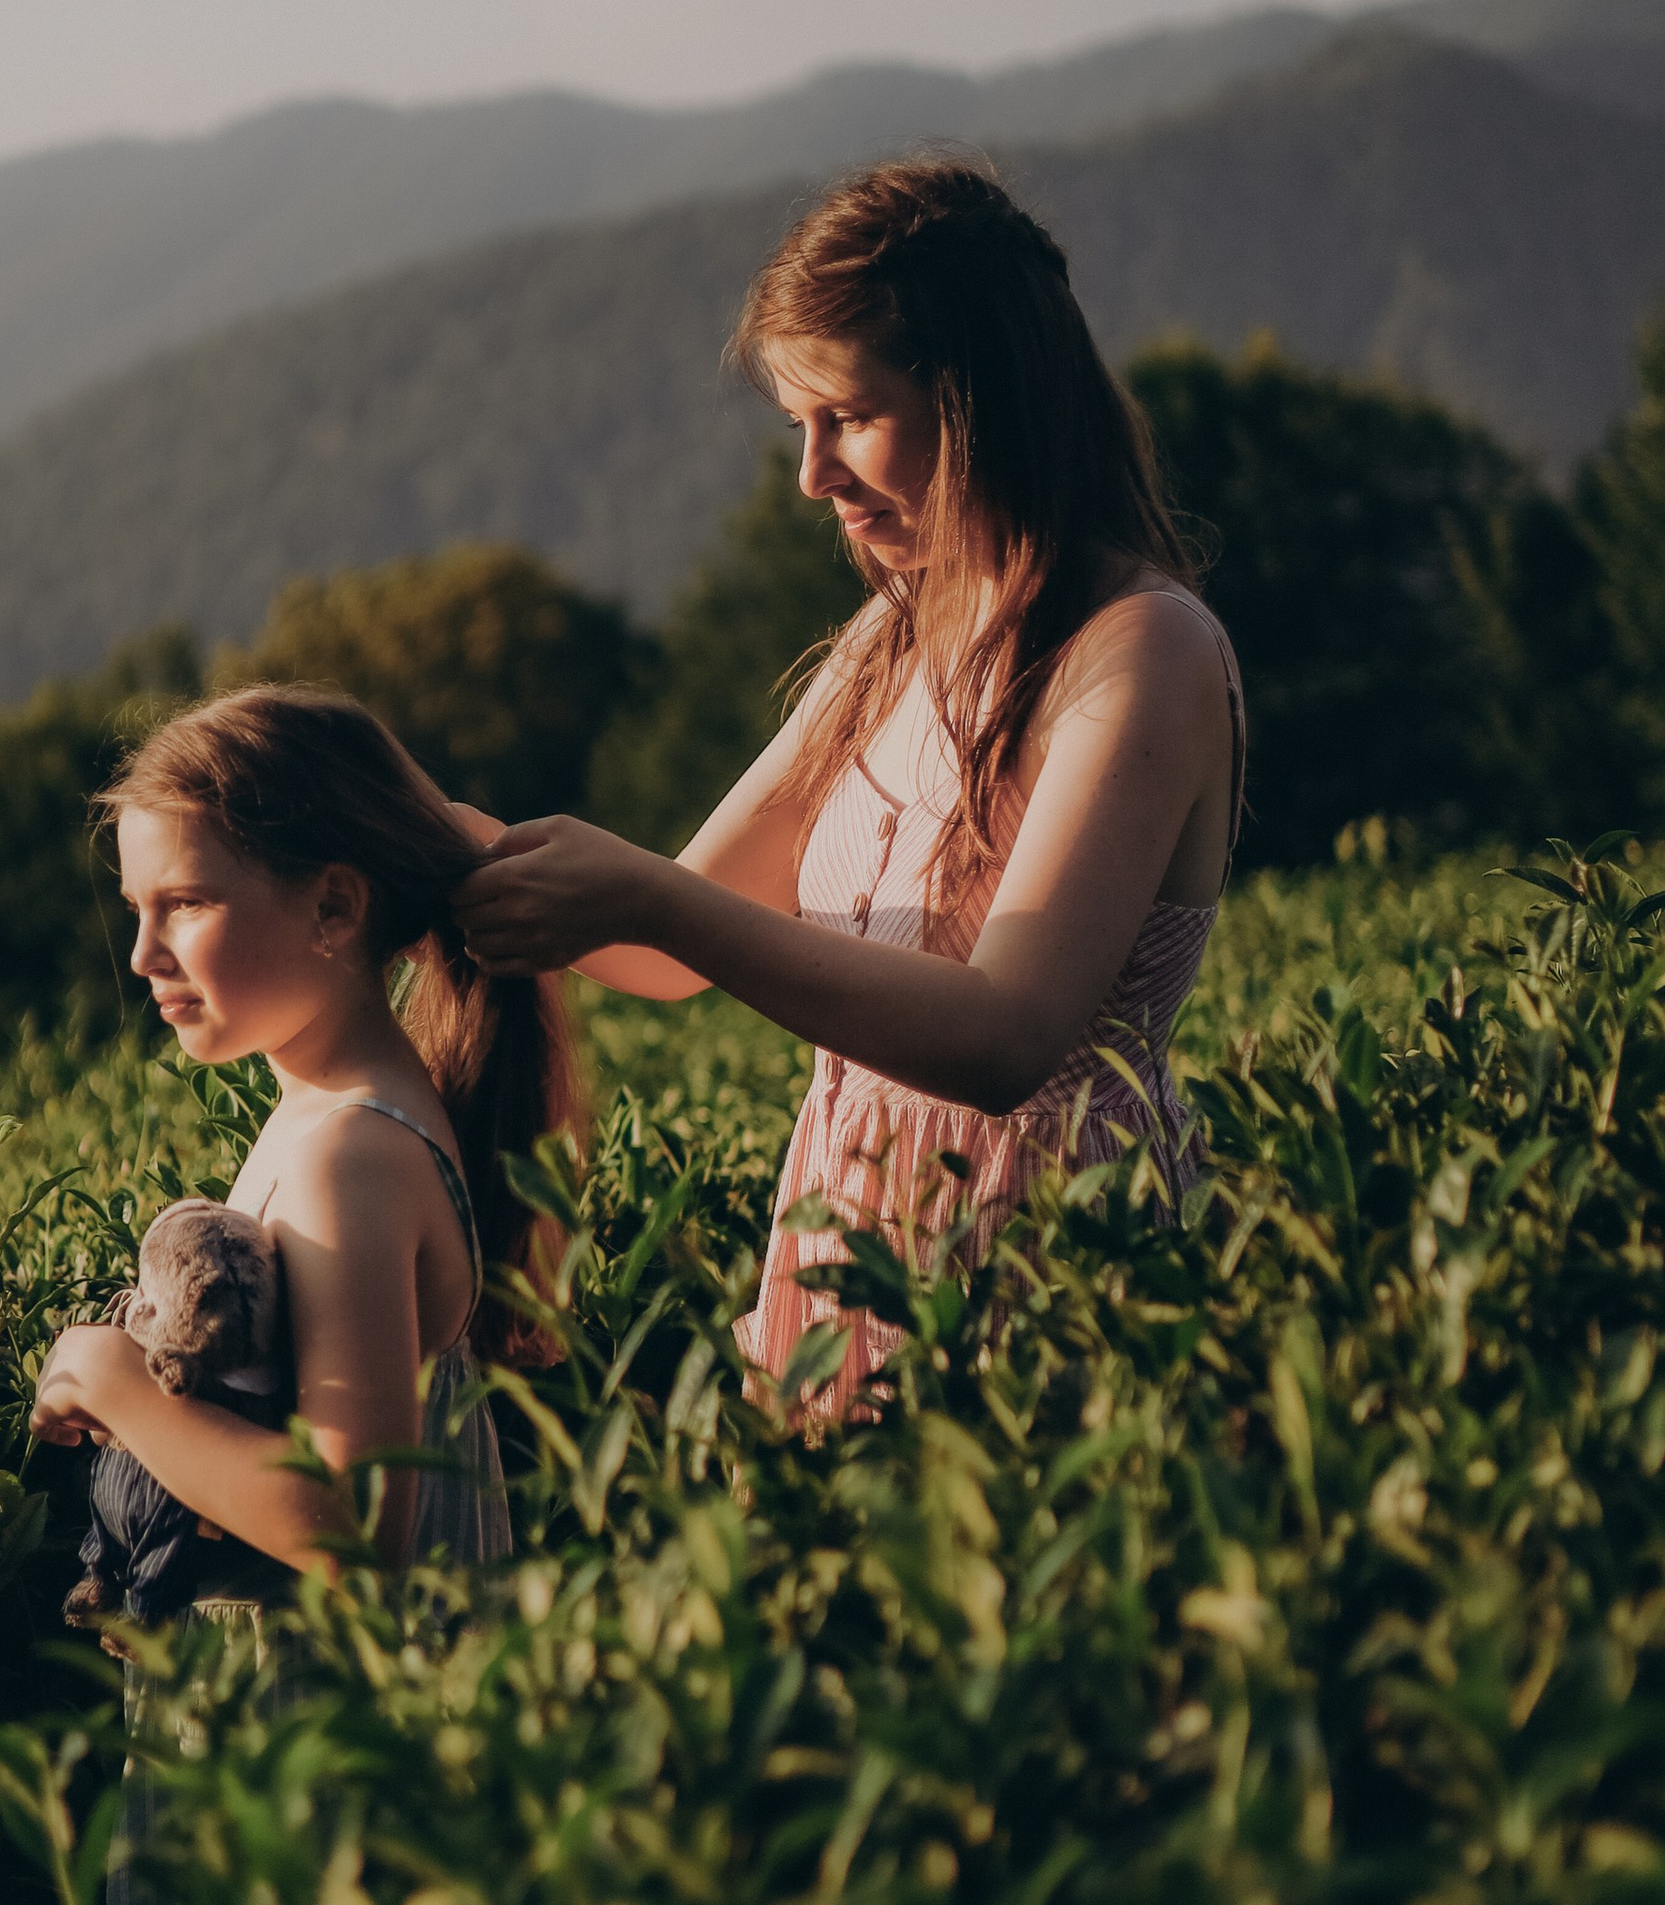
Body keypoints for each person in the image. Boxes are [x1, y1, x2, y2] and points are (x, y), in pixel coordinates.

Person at [455, 156, 1245, 1419]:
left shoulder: (1140, 652)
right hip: (848, 1237)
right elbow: (665, 936)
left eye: (850, 418)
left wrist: (651, 906)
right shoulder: (892, 639)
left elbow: (1006, 1038)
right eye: (797, 427)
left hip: (1053, 1261)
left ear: (984, 398)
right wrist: (431, 843)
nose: (812, 475)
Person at [31, 686, 582, 1905]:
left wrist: (105, 1376)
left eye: (186, 904)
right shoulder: (329, 1119)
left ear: (335, 905)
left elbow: (351, 1518)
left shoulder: (350, 1155)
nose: (142, 955)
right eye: (135, 910)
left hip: (312, 1766)